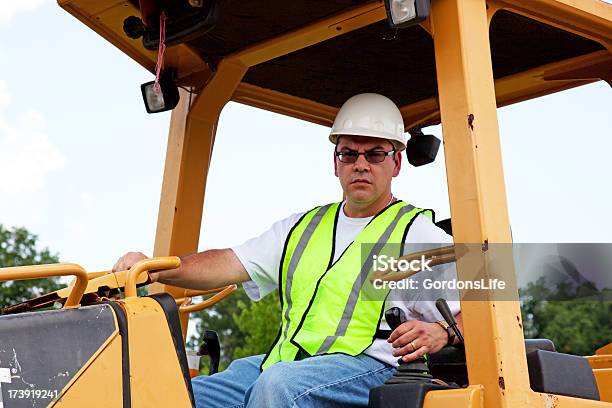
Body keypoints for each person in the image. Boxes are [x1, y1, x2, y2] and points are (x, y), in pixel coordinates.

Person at [113, 93, 463, 408]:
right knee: (178, 392)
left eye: (374, 154)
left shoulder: (418, 233)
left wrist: (443, 332)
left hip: (370, 369)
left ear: (396, 164)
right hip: (289, 361)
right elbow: (228, 262)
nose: (360, 164)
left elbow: (491, 310)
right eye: (349, 153)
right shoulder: (302, 227)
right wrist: (157, 268)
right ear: (335, 162)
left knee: (279, 387)